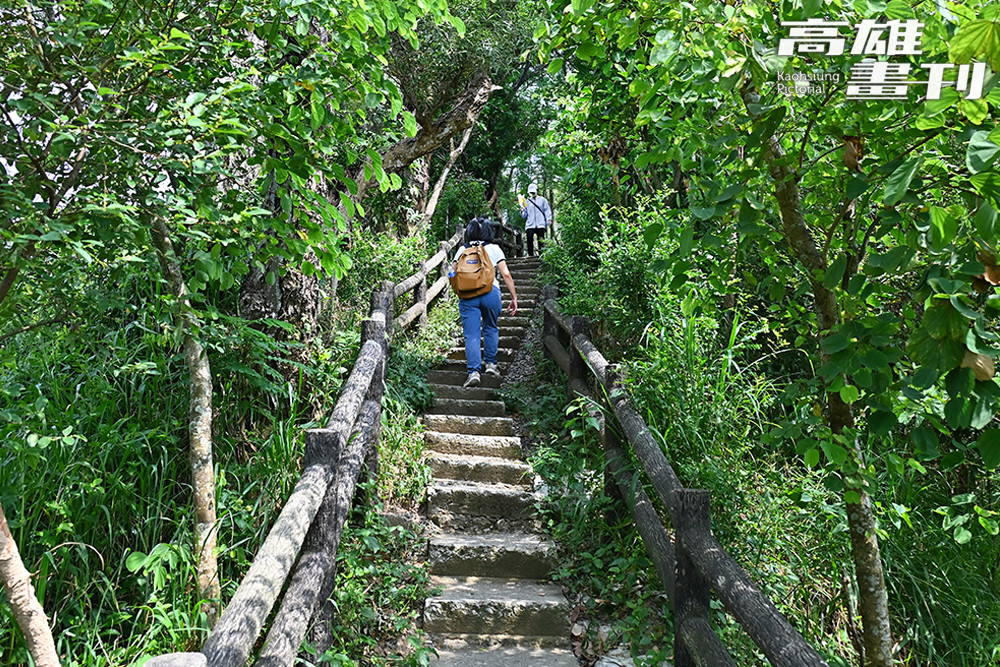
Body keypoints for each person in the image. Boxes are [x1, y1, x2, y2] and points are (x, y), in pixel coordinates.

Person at [453, 217, 518, 388]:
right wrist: (514, 297)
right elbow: (506, 274)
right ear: (489, 231)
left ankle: (473, 372)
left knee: (471, 334)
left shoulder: (462, 249)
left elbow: (453, 273)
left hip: (468, 295)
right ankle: (491, 365)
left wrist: (460, 291)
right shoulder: (495, 249)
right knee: (490, 327)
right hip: (491, 292)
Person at [519, 183, 553, 256]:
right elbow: (524, 215)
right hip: (530, 224)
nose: (532, 193)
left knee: (541, 240)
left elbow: (547, 210)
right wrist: (522, 211)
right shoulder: (527, 202)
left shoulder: (543, 200)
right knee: (529, 238)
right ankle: (531, 255)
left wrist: (549, 219)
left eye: (533, 192)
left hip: (540, 223)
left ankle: (541, 255)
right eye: (531, 192)